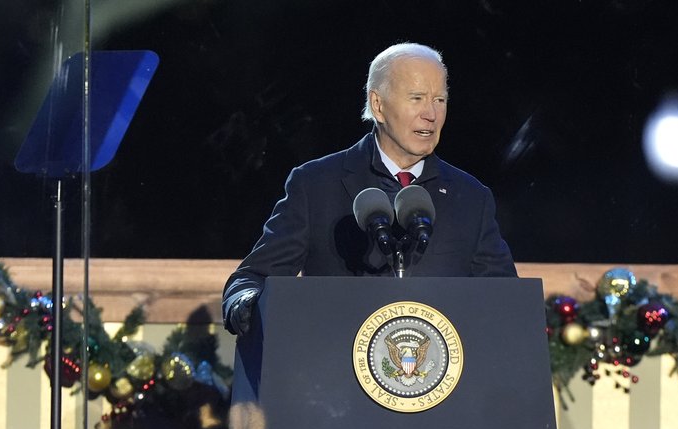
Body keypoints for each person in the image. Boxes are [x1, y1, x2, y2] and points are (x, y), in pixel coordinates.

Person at [220, 42, 516, 336]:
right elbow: (252, 278)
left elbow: (507, 301)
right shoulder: (315, 185)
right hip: (332, 360)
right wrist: (245, 302)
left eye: (440, 100)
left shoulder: (472, 198)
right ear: (378, 105)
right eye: (417, 98)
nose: (431, 114)